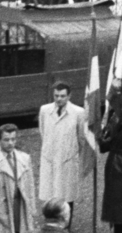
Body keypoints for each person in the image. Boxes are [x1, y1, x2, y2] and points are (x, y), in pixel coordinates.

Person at [37, 82, 91, 213]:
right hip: (49, 157)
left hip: (68, 158)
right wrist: (49, 149)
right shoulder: (45, 110)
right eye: (56, 96)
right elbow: (42, 131)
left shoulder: (78, 112)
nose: (59, 99)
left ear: (69, 96)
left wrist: (72, 152)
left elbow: (81, 136)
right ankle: (50, 225)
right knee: (50, 193)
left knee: (67, 193)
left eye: (62, 96)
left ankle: (66, 225)